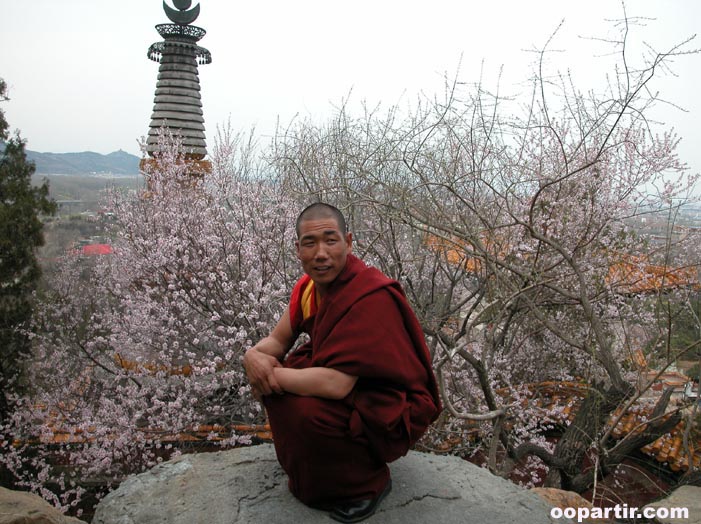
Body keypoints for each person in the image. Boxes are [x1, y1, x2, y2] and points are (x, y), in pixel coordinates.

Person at [243, 203, 441, 523]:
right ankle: (314, 480)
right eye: (310, 242)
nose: (321, 253)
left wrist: (270, 376)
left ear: (348, 242)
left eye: (330, 240)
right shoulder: (307, 289)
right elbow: (278, 341)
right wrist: (253, 356)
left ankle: (365, 486)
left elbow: (338, 384)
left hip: (385, 398)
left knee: (301, 408)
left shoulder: (369, 295)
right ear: (298, 249)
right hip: (341, 381)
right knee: (280, 385)